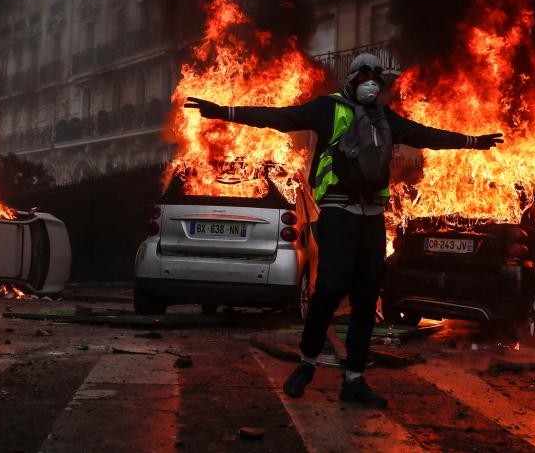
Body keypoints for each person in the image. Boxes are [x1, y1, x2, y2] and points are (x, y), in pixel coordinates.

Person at [185, 53, 502, 408]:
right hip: (337, 211)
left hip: (371, 215)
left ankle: (354, 378)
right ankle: (307, 363)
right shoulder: (327, 108)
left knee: (367, 295)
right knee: (331, 288)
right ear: (351, 79)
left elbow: (425, 135)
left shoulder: (384, 117)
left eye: (376, 79)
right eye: (365, 76)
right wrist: (225, 112)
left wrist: (471, 142)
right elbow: (279, 118)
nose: (371, 83)